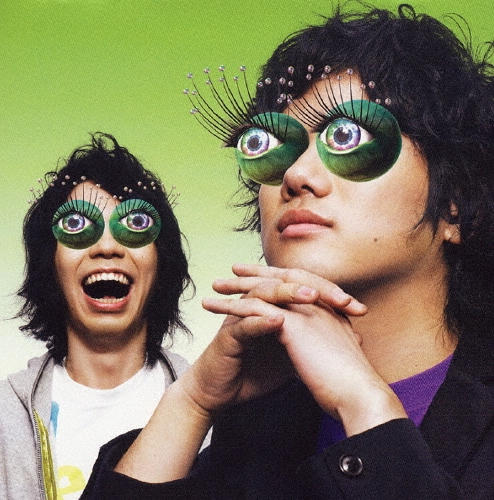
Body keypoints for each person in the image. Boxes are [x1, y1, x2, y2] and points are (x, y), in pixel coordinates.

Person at [82, 4, 494, 499]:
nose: (296, 176)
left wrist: (365, 406)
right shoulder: (258, 424)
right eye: (274, 146)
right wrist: (191, 402)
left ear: (455, 206)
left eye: (349, 136)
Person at [0, 133, 193, 500]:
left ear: (160, 262)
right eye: (76, 227)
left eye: (135, 224)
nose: (106, 247)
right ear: (51, 265)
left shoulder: (218, 414)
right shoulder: (0, 417)